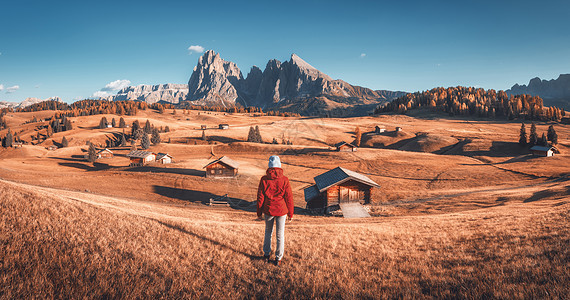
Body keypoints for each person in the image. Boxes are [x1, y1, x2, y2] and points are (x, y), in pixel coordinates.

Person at [257, 155, 293, 266]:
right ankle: (278, 258)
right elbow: (289, 197)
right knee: (280, 235)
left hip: (268, 210)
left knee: (268, 232)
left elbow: (260, 197)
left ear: (269, 166)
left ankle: (266, 255)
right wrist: (290, 213)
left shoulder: (264, 179)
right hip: (282, 210)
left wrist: (259, 212)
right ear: (279, 166)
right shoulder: (285, 180)